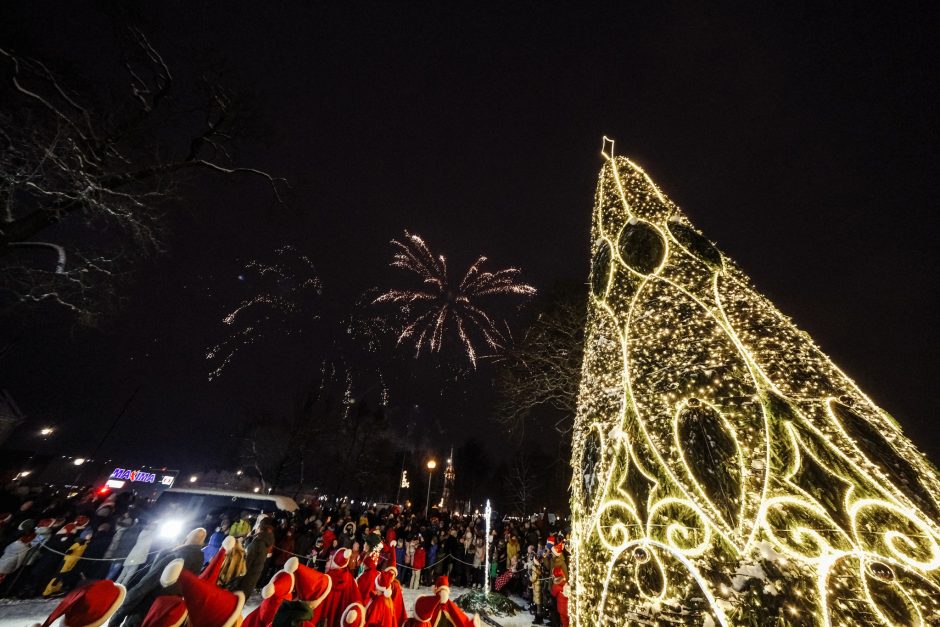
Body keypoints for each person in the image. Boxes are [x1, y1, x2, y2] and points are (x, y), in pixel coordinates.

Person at [233, 516, 275, 598]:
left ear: (261, 526)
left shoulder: (258, 542)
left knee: (237, 598)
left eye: (259, 524)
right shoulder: (267, 539)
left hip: (246, 576)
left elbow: (246, 563)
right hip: (253, 576)